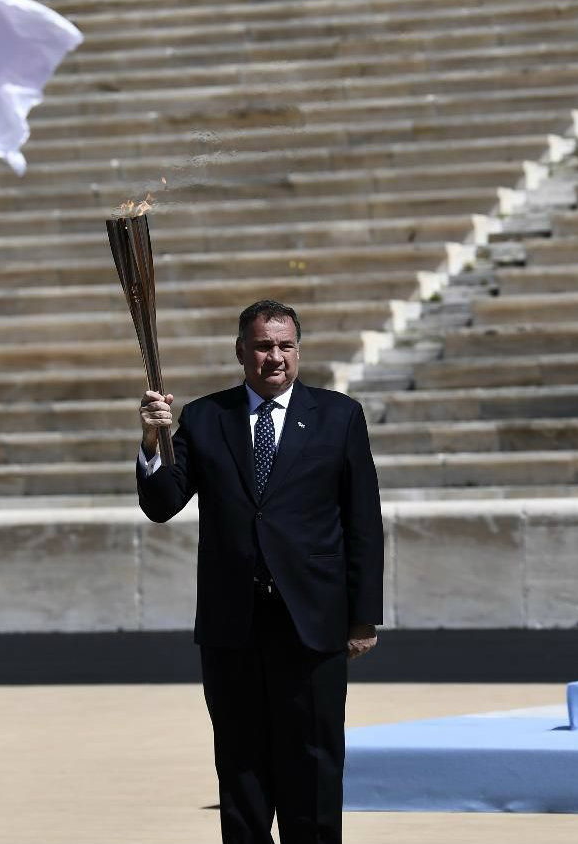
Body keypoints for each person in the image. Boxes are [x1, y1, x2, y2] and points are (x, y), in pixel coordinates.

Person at [136, 299, 384, 844]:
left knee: (314, 761)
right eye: (263, 346)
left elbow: (363, 521)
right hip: (235, 623)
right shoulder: (205, 418)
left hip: (312, 620)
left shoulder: (340, 416)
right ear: (241, 351)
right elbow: (161, 503)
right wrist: (155, 440)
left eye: (285, 345)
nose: (275, 357)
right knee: (241, 762)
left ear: (298, 349)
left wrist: (363, 616)